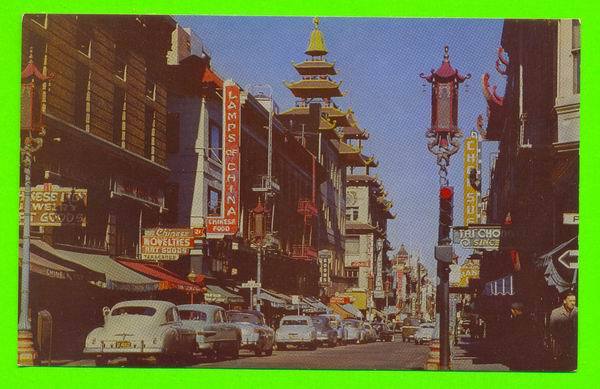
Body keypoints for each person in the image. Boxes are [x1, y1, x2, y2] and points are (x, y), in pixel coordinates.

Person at [504, 302, 537, 371]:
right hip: (528, 352)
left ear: (514, 310)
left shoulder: (513, 322)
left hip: (517, 352)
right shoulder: (530, 320)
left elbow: (511, 338)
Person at [549, 292, 577, 371]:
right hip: (561, 345)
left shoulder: (578, 312)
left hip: (574, 345)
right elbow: (552, 329)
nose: (572, 303)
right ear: (564, 301)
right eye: (570, 300)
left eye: (574, 301)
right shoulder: (555, 313)